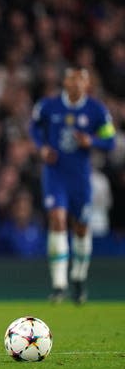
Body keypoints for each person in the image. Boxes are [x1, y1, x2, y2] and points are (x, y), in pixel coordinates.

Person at [29, 67, 116, 304]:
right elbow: (34, 128)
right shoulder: (48, 105)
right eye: (71, 79)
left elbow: (110, 140)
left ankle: (78, 277)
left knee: (81, 227)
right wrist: (42, 147)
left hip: (80, 177)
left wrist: (92, 140)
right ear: (65, 83)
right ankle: (59, 284)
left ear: (87, 84)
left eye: (80, 80)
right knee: (57, 219)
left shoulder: (97, 110)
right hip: (55, 174)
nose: (75, 84)